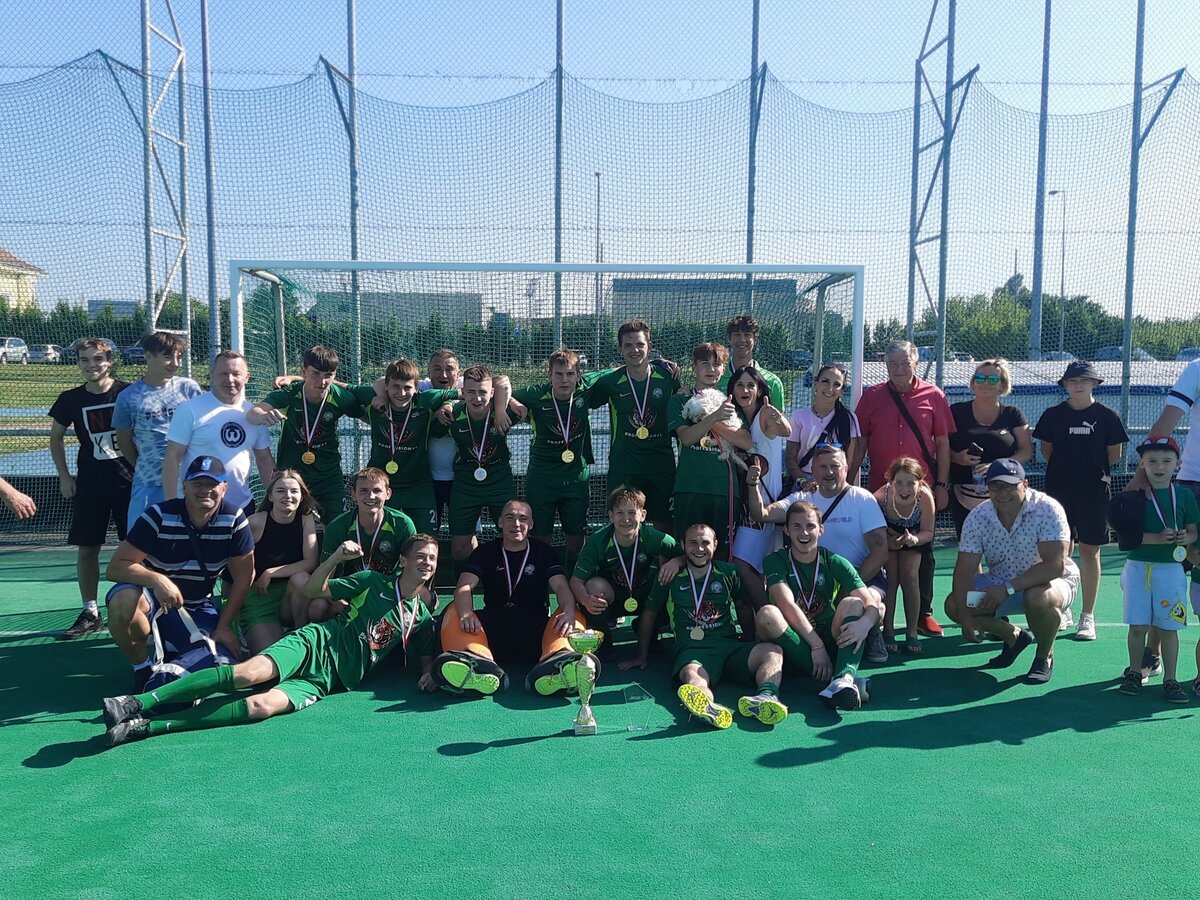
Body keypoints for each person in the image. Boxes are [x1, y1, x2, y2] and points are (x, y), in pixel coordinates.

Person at [99, 534, 440, 747]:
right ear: (404, 560)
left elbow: (425, 656)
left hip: (330, 679)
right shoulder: (374, 581)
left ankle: (147, 727)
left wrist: (428, 674)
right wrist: (336, 557)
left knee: (261, 707)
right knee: (247, 674)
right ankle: (135, 703)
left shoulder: (421, 616)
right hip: (315, 643)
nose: (426, 562)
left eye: (432, 558)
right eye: (420, 556)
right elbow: (313, 590)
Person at [105, 456, 254, 692]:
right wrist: (158, 580)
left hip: (196, 606)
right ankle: (142, 669)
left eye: (212, 484)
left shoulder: (234, 519)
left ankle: (171, 657)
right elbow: (116, 567)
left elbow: (245, 577)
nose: (204, 490)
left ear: (224, 488)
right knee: (123, 602)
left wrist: (224, 625)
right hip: (153, 601)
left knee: (221, 662)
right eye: (197, 483)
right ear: (184, 486)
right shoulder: (158, 515)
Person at [622, 523, 788, 730]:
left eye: (705, 543)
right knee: (692, 675)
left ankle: (766, 697)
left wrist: (748, 641)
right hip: (693, 650)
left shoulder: (728, 572)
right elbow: (650, 614)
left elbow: (743, 607)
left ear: (715, 545)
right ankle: (707, 707)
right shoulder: (669, 576)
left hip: (729, 646)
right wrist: (642, 655)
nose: (699, 548)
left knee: (772, 651)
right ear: (683, 545)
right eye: (693, 543)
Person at [747, 444, 890, 663]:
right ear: (812, 470)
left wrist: (848, 586)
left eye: (835, 466)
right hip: (817, 580)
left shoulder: (862, 498)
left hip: (862, 576)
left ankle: (871, 633)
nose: (829, 471)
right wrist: (752, 484)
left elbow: (880, 552)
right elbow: (762, 514)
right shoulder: (803, 498)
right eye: (822, 466)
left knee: (869, 604)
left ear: (846, 468)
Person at [850, 339, 954, 638]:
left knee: (922, 556)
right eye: (892, 364)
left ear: (916, 363)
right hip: (880, 492)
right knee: (879, 553)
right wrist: (849, 481)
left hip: (921, 491)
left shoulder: (934, 395)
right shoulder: (872, 396)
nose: (898, 369)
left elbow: (942, 443)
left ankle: (923, 615)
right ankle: (878, 616)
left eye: (904, 363)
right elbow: (861, 442)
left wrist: (942, 485)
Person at [943, 459, 1079, 684]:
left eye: (1009, 486)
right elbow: (964, 572)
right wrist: (966, 619)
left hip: (1052, 583)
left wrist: (1007, 588)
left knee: (1038, 597)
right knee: (956, 604)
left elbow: (1054, 566)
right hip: (1000, 584)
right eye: (996, 486)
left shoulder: (1048, 509)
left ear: (1024, 484)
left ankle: (1044, 657)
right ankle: (1014, 636)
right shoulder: (977, 517)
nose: (1002, 493)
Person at [431, 500, 584, 697]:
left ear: (531, 524)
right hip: (491, 632)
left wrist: (569, 611)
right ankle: (474, 663)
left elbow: (561, 587)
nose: (516, 524)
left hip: (535, 631)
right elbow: (464, 586)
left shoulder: (544, 552)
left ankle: (558, 661)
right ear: (500, 522)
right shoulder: (485, 551)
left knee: (573, 612)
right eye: (510, 517)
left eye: (523, 519)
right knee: (454, 609)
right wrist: (466, 613)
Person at [1032, 360, 1128, 641]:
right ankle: (1062, 607)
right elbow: (1047, 450)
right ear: (1065, 385)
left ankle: (1088, 616)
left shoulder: (1108, 416)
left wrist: (1089, 474)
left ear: (1094, 384)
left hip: (1095, 494)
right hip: (1058, 493)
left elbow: (1115, 454)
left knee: (1089, 552)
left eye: (1084, 381)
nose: (1078, 385)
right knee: (1059, 552)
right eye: (1072, 381)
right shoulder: (1052, 415)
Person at [756, 502, 882, 710]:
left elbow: (870, 603)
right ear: (786, 530)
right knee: (767, 614)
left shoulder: (834, 561)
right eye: (796, 526)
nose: (804, 532)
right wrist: (817, 646)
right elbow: (786, 604)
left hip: (828, 638)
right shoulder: (775, 560)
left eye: (810, 526)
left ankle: (843, 679)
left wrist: (865, 624)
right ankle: (838, 678)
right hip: (795, 641)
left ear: (821, 529)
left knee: (854, 603)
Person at [48, 337, 133, 639]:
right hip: (91, 485)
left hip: (130, 483)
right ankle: (91, 612)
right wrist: (64, 476)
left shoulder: (128, 393)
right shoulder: (70, 399)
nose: (91, 365)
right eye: (84, 359)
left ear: (110, 361)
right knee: (87, 549)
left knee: (135, 549)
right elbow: (56, 437)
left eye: (98, 359)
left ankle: (139, 606)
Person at [1124, 355, 1200, 681]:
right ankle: (1152, 654)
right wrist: (1141, 477)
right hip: (1193, 484)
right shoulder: (1197, 368)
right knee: (1168, 573)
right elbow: (1165, 424)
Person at [1115, 436, 1198, 703]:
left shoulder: (1184, 495)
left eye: (1166, 461)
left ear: (1177, 464)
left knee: (1168, 628)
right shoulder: (1134, 496)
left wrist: (1186, 537)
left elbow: (1193, 531)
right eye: (1152, 461)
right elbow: (1125, 536)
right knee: (1137, 626)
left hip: (1171, 570)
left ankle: (1171, 679)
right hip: (1137, 568)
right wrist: (1156, 538)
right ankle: (1134, 672)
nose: (1159, 467)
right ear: (1142, 463)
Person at [247, 345, 363, 523]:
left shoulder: (340, 397)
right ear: (304, 372)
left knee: (337, 527)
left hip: (328, 477)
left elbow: (367, 416)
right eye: (315, 373)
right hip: (292, 477)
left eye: (328, 375)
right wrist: (264, 416)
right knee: (288, 527)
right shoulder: (290, 393)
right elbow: (252, 414)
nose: (322, 381)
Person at [587, 318, 682, 532]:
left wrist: (659, 363)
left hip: (661, 464)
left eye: (640, 344)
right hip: (625, 465)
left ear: (650, 346)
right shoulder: (610, 382)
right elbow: (582, 389)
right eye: (628, 345)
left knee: (664, 527)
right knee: (623, 525)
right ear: (620, 349)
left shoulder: (668, 377)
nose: (634, 350)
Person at [512, 348, 597, 572]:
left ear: (578, 376)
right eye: (558, 374)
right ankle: (541, 582)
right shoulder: (535, 394)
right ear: (549, 375)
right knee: (540, 538)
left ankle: (573, 582)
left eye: (570, 374)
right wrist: (512, 403)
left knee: (576, 539)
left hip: (575, 478)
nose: (564, 380)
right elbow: (500, 387)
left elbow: (620, 370)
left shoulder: (586, 389)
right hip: (542, 478)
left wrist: (658, 364)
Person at [163, 350, 274, 520]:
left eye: (236, 374)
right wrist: (171, 504)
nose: (230, 379)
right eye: (223, 373)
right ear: (212, 375)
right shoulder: (190, 409)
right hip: (198, 507)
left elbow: (264, 460)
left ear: (247, 377)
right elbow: (172, 457)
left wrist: (274, 500)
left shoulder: (254, 414)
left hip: (242, 508)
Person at [352, 357, 458, 533]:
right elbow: (337, 387)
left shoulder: (426, 400)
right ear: (386, 386)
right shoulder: (373, 399)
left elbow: (466, 393)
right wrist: (301, 380)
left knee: (425, 539)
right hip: (382, 485)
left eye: (407, 387)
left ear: (416, 388)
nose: (401, 393)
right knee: (380, 538)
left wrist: (448, 404)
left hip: (418, 486)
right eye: (395, 387)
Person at [669, 342, 752, 561]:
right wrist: (714, 416)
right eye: (705, 363)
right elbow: (687, 438)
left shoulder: (730, 402)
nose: (711, 369)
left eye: (717, 364)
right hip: (690, 487)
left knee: (721, 554)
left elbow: (745, 441)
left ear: (723, 369)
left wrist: (711, 418)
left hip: (724, 489)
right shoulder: (680, 400)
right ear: (694, 367)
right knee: (687, 552)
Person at [112, 330, 203, 529]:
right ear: (148, 356)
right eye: (168, 357)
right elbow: (124, 440)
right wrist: (145, 464)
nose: (175, 363)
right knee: (140, 539)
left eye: (179, 357)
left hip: (188, 480)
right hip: (148, 481)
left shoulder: (188, 388)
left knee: (187, 538)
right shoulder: (128, 397)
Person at [309, 467, 417, 623]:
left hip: (388, 590)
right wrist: (341, 604)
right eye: (363, 491)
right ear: (353, 494)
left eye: (377, 490)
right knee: (317, 607)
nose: (370, 496)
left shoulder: (402, 524)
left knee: (425, 597)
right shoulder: (338, 527)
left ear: (388, 493)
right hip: (349, 591)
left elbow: (413, 570)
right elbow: (325, 578)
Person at [571, 485, 679, 636]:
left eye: (632, 513)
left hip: (647, 595)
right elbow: (576, 581)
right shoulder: (598, 541)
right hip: (613, 595)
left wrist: (677, 562)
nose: (626, 519)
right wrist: (585, 599)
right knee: (593, 588)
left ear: (643, 515)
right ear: (611, 516)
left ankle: (648, 630)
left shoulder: (655, 538)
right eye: (619, 513)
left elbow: (686, 556)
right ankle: (603, 639)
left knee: (673, 582)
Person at [728, 365, 791, 615]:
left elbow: (785, 430)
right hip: (748, 505)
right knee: (757, 569)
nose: (745, 390)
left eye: (750, 385)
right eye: (739, 385)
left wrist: (778, 419)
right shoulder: (739, 421)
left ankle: (769, 616)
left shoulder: (764, 413)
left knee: (741, 564)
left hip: (763, 507)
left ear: (760, 390)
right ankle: (762, 621)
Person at [443, 365, 517, 572]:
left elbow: (505, 382)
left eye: (483, 392)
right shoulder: (452, 415)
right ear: (463, 392)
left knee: (513, 536)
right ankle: (464, 587)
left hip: (500, 483)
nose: (477, 398)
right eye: (471, 392)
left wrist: (502, 409)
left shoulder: (503, 412)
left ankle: (511, 584)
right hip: (465, 485)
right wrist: (444, 406)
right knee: (460, 547)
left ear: (492, 393)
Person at [947, 358, 1032, 537]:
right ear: (973, 383)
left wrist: (999, 466)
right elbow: (939, 447)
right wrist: (958, 458)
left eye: (993, 379)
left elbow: (1026, 451)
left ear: (1002, 385)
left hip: (1005, 493)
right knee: (968, 546)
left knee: (1005, 543)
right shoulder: (956, 411)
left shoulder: (1013, 414)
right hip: (964, 494)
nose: (985, 383)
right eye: (980, 378)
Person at [241, 469, 318, 654]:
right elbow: (233, 568)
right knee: (271, 656)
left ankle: (301, 634)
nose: (288, 496)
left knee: (301, 578)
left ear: (302, 496)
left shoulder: (306, 519)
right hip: (260, 596)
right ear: (271, 496)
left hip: (293, 598)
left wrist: (271, 572)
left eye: (294, 491)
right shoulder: (255, 522)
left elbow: (310, 562)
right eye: (281, 491)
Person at [873, 457, 935, 654]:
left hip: (915, 536)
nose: (904, 489)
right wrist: (888, 542)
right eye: (898, 482)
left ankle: (912, 633)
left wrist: (914, 539)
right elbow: (872, 531)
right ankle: (888, 632)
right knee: (891, 579)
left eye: (910, 483)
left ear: (920, 483)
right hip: (887, 537)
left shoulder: (925, 497)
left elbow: (928, 532)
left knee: (910, 577)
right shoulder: (880, 497)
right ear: (890, 482)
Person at [786, 362, 860, 487]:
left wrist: (842, 486)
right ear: (815, 384)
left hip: (836, 482)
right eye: (825, 381)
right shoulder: (799, 417)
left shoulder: (849, 419)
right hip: (805, 483)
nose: (830, 389)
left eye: (836, 384)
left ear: (842, 391)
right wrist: (803, 482)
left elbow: (851, 459)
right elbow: (790, 458)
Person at [422, 348, 464, 531]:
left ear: (459, 373)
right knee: (426, 535)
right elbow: (383, 383)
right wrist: (435, 412)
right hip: (426, 480)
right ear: (428, 372)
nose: (444, 374)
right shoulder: (420, 387)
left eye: (449, 369)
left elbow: (500, 383)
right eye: (437, 369)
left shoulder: (469, 386)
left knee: (464, 536)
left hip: (461, 479)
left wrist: (450, 403)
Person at [716, 314, 786, 409]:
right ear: (729, 338)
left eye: (747, 335)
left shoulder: (772, 382)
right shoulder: (717, 379)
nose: (742, 340)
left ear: (755, 340)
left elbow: (779, 417)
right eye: (737, 335)